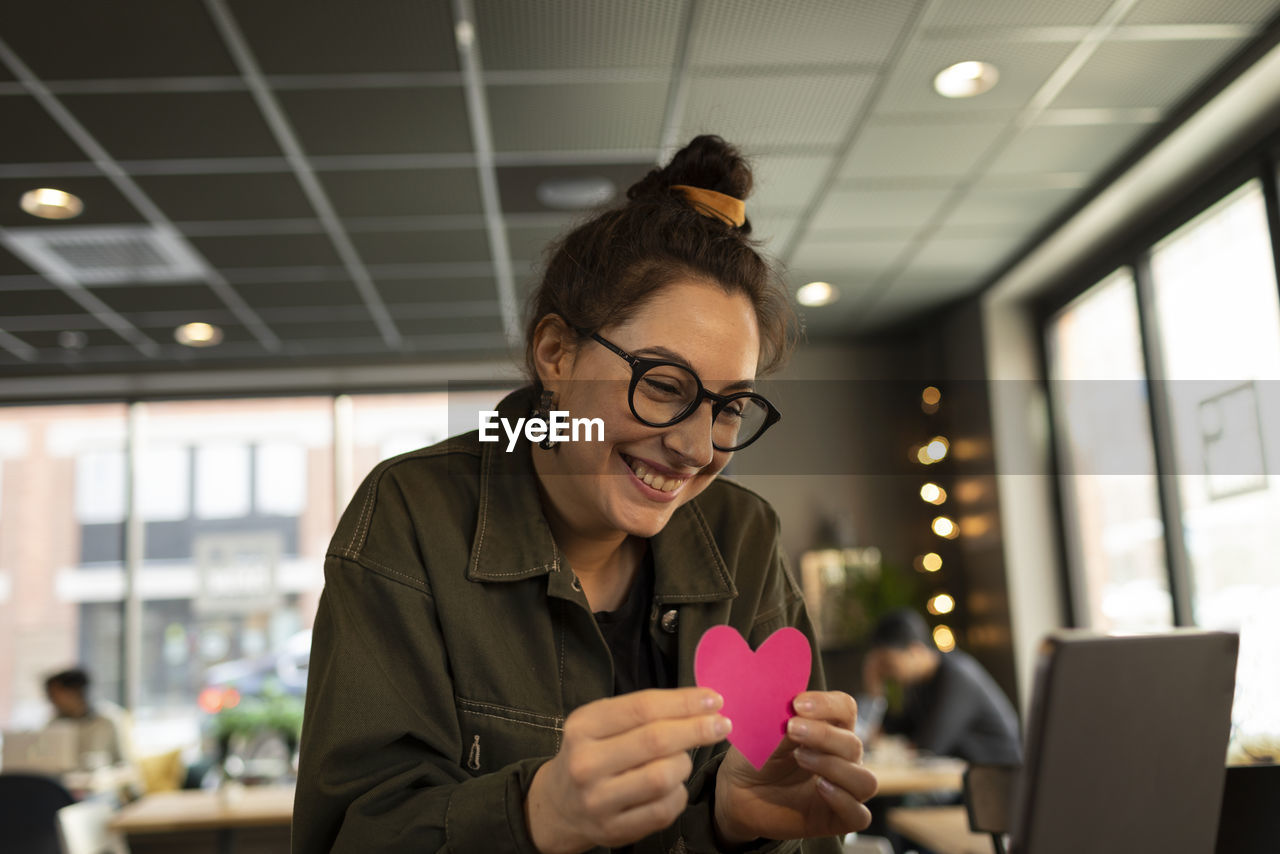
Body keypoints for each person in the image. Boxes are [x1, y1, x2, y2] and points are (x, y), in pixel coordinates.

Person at [293, 135, 878, 853]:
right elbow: (347, 835)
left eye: (729, 408)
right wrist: (536, 814)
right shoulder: (414, 512)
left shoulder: (742, 535)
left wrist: (733, 827)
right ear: (556, 355)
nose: (697, 450)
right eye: (663, 386)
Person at [861, 609, 1021, 766]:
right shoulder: (918, 683)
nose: (888, 672)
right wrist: (875, 691)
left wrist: (894, 747)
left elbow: (928, 748)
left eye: (889, 663)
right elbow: (895, 729)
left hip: (998, 777)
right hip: (963, 777)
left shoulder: (957, 677)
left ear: (915, 651)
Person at [43, 668, 127, 771]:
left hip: (100, 783)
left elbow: (124, 765)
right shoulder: (53, 724)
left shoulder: (108, 721)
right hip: (62, 784)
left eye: (54, 694)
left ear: (74, 692)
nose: (51, 700)